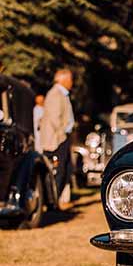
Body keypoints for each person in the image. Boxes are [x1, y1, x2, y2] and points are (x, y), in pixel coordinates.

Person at [40, 69, 75, 209]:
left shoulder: (63, 94)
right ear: (63, 80)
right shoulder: (55, 94)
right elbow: (55, 119)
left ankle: (55, 201)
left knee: (67, 170)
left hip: (63, 137)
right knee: (60, 171)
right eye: (70, 79)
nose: (72, 82)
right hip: (57, 139)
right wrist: (62, 134)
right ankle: (52, 202)